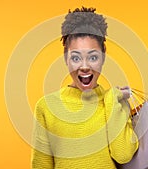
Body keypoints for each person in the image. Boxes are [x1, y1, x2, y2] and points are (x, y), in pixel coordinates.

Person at [31, 7, 138, 169]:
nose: (85, 66)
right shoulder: (46, 107)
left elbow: (123, 155)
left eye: (93, 57)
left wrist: (111, 98)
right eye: (76, 58)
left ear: (103, 56)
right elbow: (40, 166)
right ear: (66, 58)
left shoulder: (115, 103)